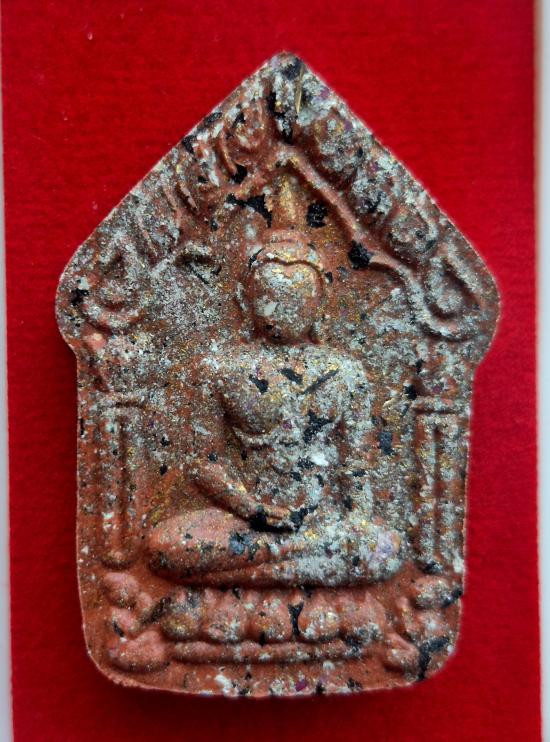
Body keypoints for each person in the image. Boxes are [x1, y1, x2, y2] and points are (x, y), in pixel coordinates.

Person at [148, 230, 401, 586]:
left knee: (383, 548)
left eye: (297, 299)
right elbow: (202, 463)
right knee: (164, 546)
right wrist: (252, 509)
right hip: (244, 522)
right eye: (271, 297)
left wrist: (357, 521)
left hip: (320, 519)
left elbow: (355, 465)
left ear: (320, 303)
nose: (284, 311)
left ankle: (265, 569)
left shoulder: (344, 372)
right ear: (245, 298)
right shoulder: (220, 369)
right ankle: (301, 566)